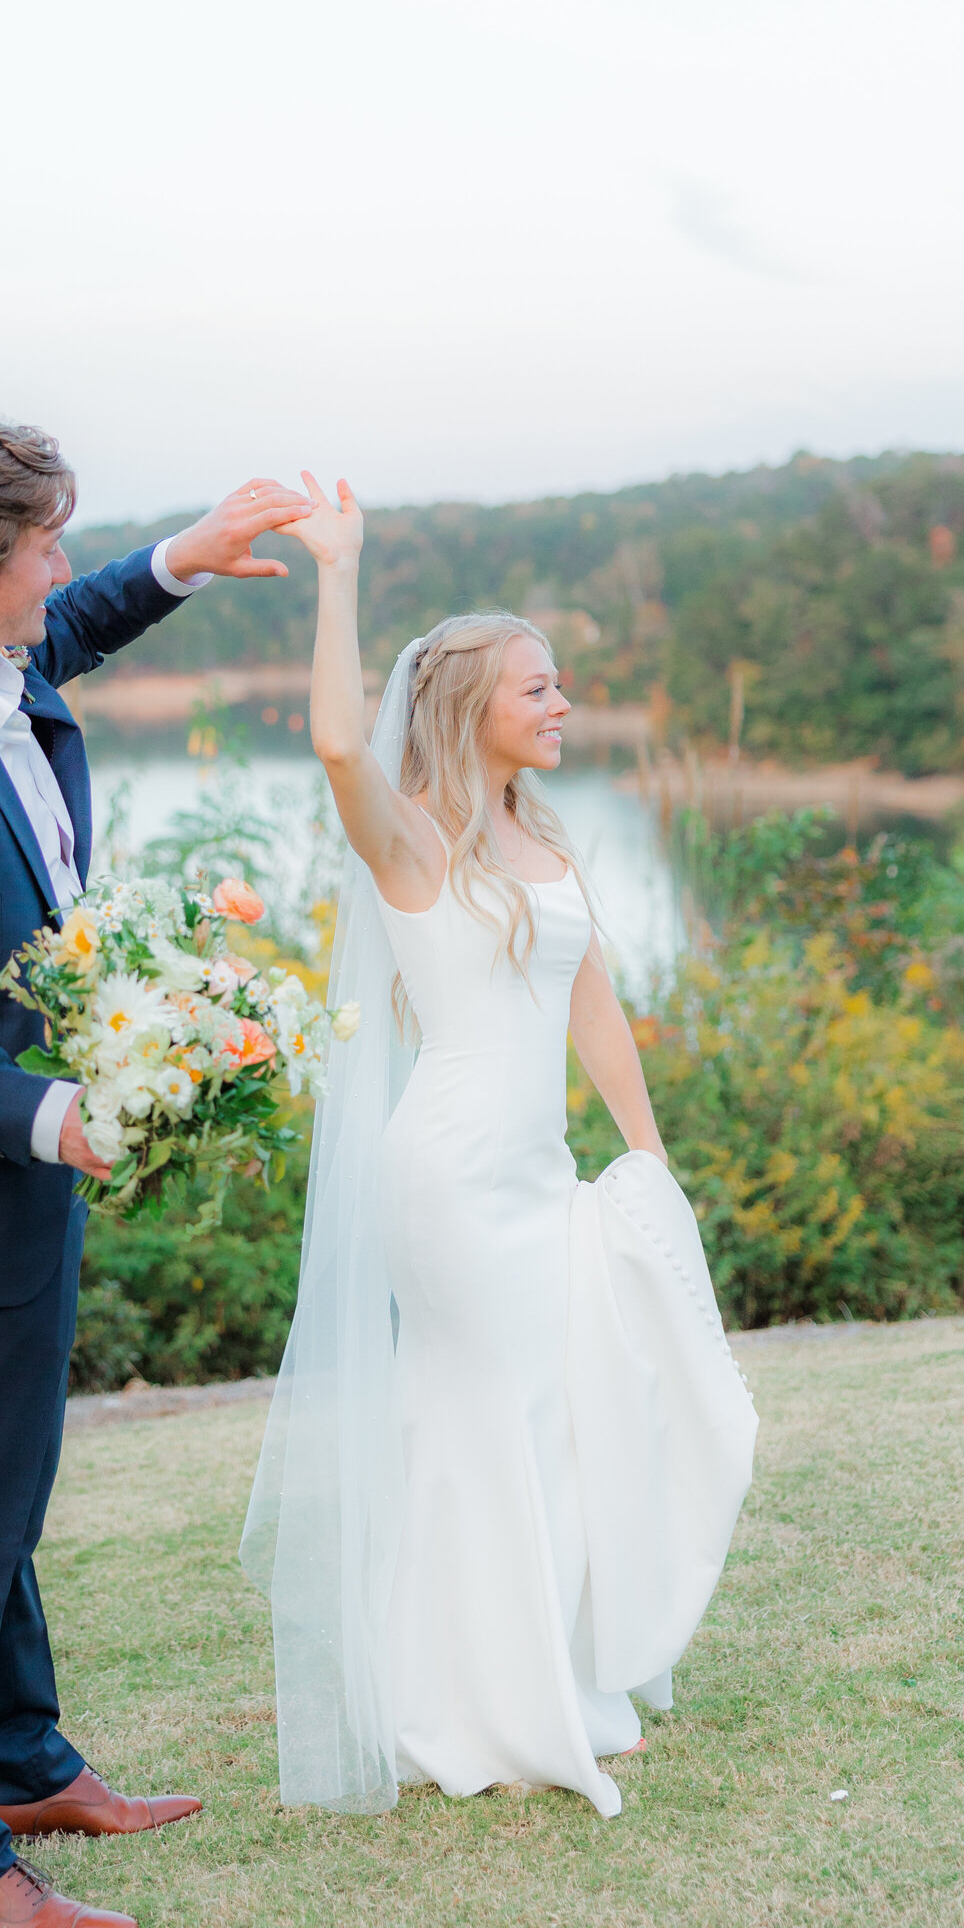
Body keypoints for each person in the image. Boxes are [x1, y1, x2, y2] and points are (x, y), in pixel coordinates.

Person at [0, 417, 311, 1928]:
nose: (63, 568)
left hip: (22, 1183)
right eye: (46, 544)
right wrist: (40, 1115)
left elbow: (67, 630)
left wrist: (184, 559)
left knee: (2, 1498)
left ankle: (23, 1763)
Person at [242, 474, 757, 1820]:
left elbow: (595, 1008)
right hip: (452, 1179)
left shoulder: (543, 838)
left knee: (554, 1413)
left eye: (562, 685)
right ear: (476, 708)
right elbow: (342, 745)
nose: (564, 704)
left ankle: (547, 1683)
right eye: (540, 688)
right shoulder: (412, 844)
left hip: (540, 1177)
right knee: (491, 1411)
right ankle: (473, 1706)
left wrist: (647, 1161)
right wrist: (339, 573)